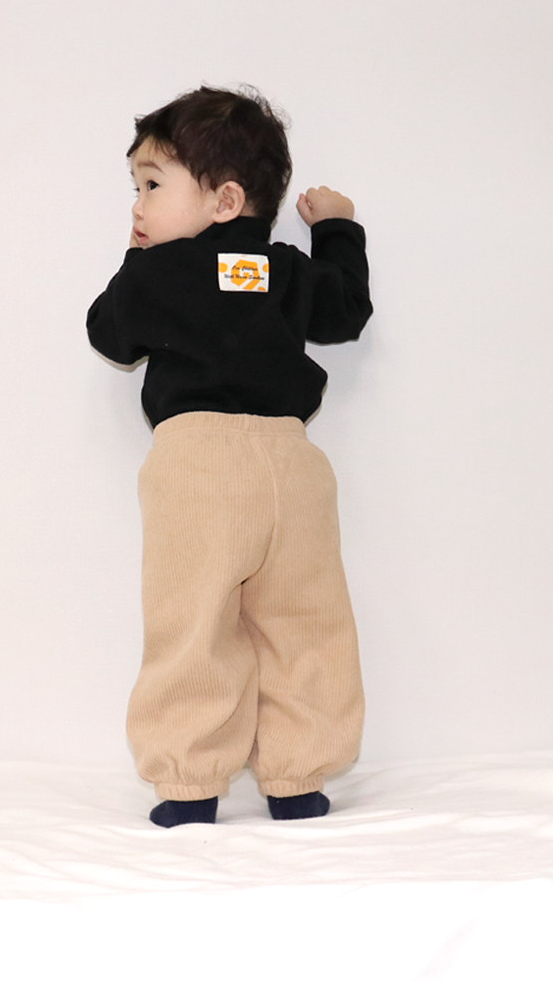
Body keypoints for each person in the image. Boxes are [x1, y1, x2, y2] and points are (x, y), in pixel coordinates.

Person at [87, 86, 372, 827]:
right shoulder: (282, 271)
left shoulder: (156, 275)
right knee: (305, 619)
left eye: (152, 186)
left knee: (192, 621)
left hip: (198, 465)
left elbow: (109, 332)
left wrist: (133, 261)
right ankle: (298, 776)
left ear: (225, 200)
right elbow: (346, 309)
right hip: (291, 464)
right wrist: (337, 229)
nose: (137, 207)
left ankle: (189, 784)